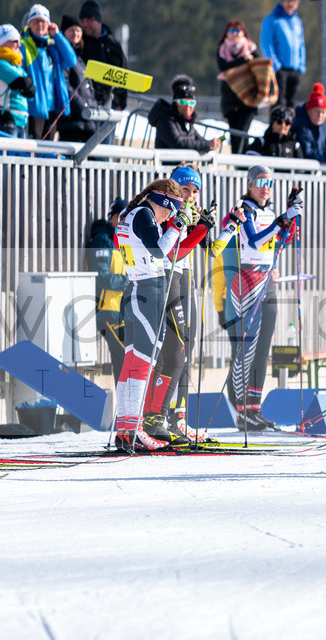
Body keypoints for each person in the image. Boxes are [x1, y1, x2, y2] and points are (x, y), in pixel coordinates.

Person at [217, 165, 303, 430]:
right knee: (247, 347)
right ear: (250, 184)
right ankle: (241, 408)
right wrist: (280, 221)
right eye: (260, 182)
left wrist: (288, 224)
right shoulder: (244, 209)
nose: (266, 187)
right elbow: (254, 241)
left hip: (267, 279)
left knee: (264, 347)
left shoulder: (267, 211)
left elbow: (276, 244)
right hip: (247, 280)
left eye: (270, 182)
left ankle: (254, 407)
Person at [141, 164, 214, 444]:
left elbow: (206, 248)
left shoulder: (186, 212)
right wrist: (200, 230)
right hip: (168, 278)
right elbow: (172, 250)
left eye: (195, 191)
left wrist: (219, 226)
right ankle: (154, 417)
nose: (191, 196)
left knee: (183, 349)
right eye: (185, 190)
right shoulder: (168, 212)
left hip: (184, 279)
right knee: (170, 352)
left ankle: (172, 416)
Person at [112, 179, 185, 451]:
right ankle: (134, 428)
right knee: (143, 364)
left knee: (132, 363)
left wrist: (178, 226)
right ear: (164, 200)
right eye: (172, 209)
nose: (171, 216)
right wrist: (178, 227)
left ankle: (126, 429)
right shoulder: (144, 214)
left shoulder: (131, 213)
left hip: (135, 291)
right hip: (148, 293)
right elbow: (158, 249)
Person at [84, 196, 128, 385]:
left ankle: (127, 410)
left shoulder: (123, 241)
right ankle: (128, 410)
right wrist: (128, 281)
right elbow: (100, 277)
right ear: (114, 217)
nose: (126, 222)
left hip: (122, 311)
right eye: (123, 217)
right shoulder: (103, 240)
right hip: (107, 311)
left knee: (127, 360)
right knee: (127, 357)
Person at [20, 3, 78, 140]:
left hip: (52, 107)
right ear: (29, 24)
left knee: (48, 154)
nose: (40, 25)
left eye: (43, 21)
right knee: (31, 152)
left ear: (49, 25)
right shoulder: (23, 45)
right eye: (36, 21)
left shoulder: (52, 47)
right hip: (34, 107)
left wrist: (57, 35)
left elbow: (71, 60)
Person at [0, 24, 34, 138]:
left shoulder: (16, 65)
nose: (19, 45)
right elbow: (23, 83)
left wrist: (27, 85)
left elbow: (31, 90)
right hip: (6, 120)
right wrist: (25, 85)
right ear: (3, 42)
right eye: (15, 41)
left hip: (21, 122)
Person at [148, 75, 223, 153]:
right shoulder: (166, 120)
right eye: (183, 102)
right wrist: (207, 144)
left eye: (191, 102)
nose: (188, 106)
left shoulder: (188, 123)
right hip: (169, 165)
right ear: (176, 103)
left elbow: (200, 141)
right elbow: (178, 143)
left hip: (184, 165)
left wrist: (213, 143)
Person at [217, 19, 260, 154]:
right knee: (234, 134)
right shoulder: (222, 50)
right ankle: (237, 162)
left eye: (237, 31)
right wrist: (243, 60)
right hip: (230, 99)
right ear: (226, 33)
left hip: (248, 99)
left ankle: (243, 162)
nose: (234, 34)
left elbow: (259, 68)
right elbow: (224, 68)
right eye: (231, 31)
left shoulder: (251, 49)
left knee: (243, 132)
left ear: (243, 33)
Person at [56, 15, 99, 143]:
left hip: (87, 122)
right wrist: (83, 106)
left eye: (78, 30)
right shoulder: (62, 55)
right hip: (72, 122)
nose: (75, 33)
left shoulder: (80, 58)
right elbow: (65, 85)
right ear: (63, 33)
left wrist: (94, 105)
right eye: (71, 30)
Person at [78, 0, 128, 111]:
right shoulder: (80, 43)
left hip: (112, 104)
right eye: (82, 21)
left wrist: (121, 102)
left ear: (98, 20)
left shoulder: (113, 44)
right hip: (87, 102)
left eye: (89, 20)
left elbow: (123, 73)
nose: (85, 25)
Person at [259, 0, 306, 107]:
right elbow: (266, 44)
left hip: (295, 69)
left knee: (291, 104)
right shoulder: (272, 20)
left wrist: (301, 65)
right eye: (288, 1)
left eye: (294, 1)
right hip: (279, 70)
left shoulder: (297, 21)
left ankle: (291, 124)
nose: (291, 4)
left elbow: (301, 45)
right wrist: (275, 65)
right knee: (279, 103)